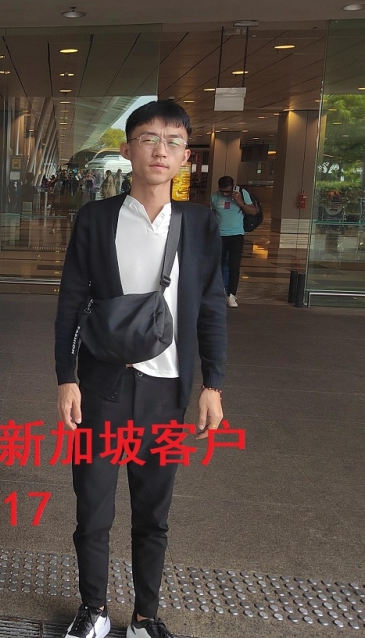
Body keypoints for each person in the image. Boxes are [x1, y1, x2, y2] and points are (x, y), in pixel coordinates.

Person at [54, 100, 227, 638]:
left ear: (185, 157)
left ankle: (146, 617)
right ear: (128, 150)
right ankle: (94, 608)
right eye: (149, 139)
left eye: (173, 142)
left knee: (153, 514)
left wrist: (213, 384)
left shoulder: (200, 224)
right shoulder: (96, 218)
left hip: (166, 390)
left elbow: (212, 306)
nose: (161, 150)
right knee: (92, 509)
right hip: (102, 385)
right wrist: (66, 377)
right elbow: (70, 301)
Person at [210, 176, 257, 308]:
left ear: (232, 187)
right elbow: (213, 214)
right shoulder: (214, 197)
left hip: (237, 235)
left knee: (234, 266)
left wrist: (240, 202)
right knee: (217, 265)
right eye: (222, 191)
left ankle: (232, 295)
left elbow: (253, 211)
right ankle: (219, 293)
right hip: (220, 235)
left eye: (227, 191)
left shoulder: (242, 193)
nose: (225, 194)